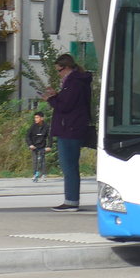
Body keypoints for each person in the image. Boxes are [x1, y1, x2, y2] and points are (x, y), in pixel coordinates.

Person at [41, 53, 93, 211]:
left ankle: (71, 201)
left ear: (67, 67)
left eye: (59, 70)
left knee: (68, 165)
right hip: (72, 127)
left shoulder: (74, 82)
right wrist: (56, 95)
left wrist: (50, 99)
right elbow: (68, 102)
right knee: (70, 165)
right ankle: (71, 199)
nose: (58, 74)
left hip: (69, 128)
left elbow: (65, 106)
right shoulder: (76, 82)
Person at [26, 111, 51, 182]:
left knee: (42, 160)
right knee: (35, 160)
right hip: (34, 146)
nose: (35, 119)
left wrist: (49, 146)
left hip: (42, 146)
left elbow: (49, 137)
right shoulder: (33, 126)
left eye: (37, 117)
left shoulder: (46, 126)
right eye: (35, 118)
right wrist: (30, 144)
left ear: (42, 118)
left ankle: (43, 174)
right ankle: (35, 174)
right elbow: (27, 136)